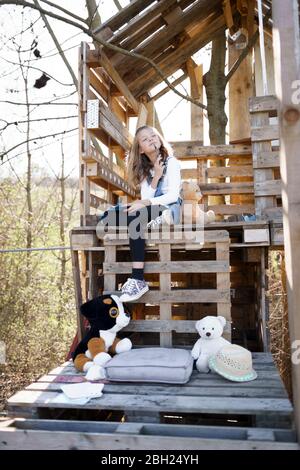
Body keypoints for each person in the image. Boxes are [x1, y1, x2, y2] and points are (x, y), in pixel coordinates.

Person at [98, 125, 182, 302]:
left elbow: (173, 195)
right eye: (145, 139)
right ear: (141, 150)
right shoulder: (145, 169)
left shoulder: (172, 162)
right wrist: (157, 176)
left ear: (159, 139)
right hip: (150, 207)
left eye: (153, 135)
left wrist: (144, 203)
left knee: (136, 218)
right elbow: (146, 196)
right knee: (108, 217)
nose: (151, 139)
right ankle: (151, 221)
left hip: (168, 207)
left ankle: (138, 278)